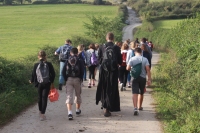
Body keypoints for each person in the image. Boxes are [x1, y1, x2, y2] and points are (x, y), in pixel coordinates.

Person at [96, 32, 122, 117]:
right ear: (113, 38)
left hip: (104, 71)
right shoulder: (116, 48)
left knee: (104, 87)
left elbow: (99, 60)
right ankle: (110, 106)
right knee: (112, 88)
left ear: (106, 38)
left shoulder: (102, 47)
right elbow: (120, 61)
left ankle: (105, 106)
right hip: (113, 71)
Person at [30, 50, 55, 121]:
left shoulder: (36, 65)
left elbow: (33, 75)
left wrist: (32, 81)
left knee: (39, 97)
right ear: (45, 56)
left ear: (38, 57)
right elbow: (53, 74)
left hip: (39, 83)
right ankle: (43, 114)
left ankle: (40, 110)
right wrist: (51, 81)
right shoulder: (49, 64)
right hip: (47, 83)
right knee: (44, 98)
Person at [126, 48, 151, 116]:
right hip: (142, 78)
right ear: (141, 52)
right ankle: (140, 106)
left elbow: (127, 68)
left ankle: (135, 108)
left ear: (135, 52)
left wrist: (132, 69)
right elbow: (148, 69)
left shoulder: (132, 59)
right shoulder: (145, 59)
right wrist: (149, 79)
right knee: (141, 92)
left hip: (134, 78)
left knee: (135, 93)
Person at [62, 48, 84, 120]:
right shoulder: (80, 60)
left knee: (69, 95)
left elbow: (63, 71)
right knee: (78, 94)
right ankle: (77, 110)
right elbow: (82, 71)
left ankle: (70, 113)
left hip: (69, 79)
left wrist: (66, 79)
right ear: (77, 53)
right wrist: (81, 79)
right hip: (77, 79)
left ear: (70, 53)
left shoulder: (67, 60)